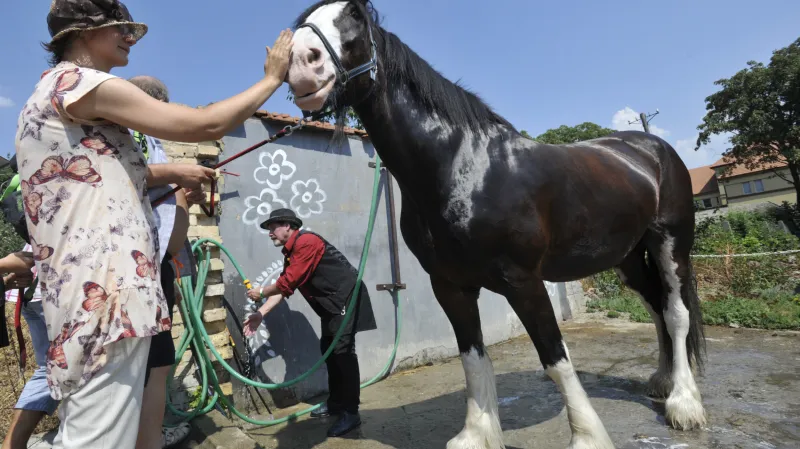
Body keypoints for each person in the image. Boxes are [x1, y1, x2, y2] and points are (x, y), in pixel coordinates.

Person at [15, 1, 293, 448]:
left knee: (95, 431)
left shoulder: (43, 99)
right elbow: (205, 123)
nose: (131, 38)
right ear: (84, 32)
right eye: (121, 28)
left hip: (82, 293)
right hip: (107, 295)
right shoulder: (80, 83)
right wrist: (273, 78)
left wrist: (173, 178)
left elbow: (101, 182)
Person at [243, 209, 377, 438]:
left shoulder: (306, 242)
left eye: (272, 227)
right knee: (329, 349)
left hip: (346, 297)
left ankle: (351, 413)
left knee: (343, 352)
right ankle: (336, 402)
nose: (269, 234)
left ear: (288, 226)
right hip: (332, 305)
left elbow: (287, 281)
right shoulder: (291, 252)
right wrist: (261, 313)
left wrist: (261, 291)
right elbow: (286, 287)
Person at [127, 75, 194, 449]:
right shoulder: (128, 130)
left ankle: (147, 439)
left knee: (158, 360)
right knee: (149, 363)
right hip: (138, 267)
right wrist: (179, 175)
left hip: (155, 264)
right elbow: (119, 171)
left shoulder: (147, 137)